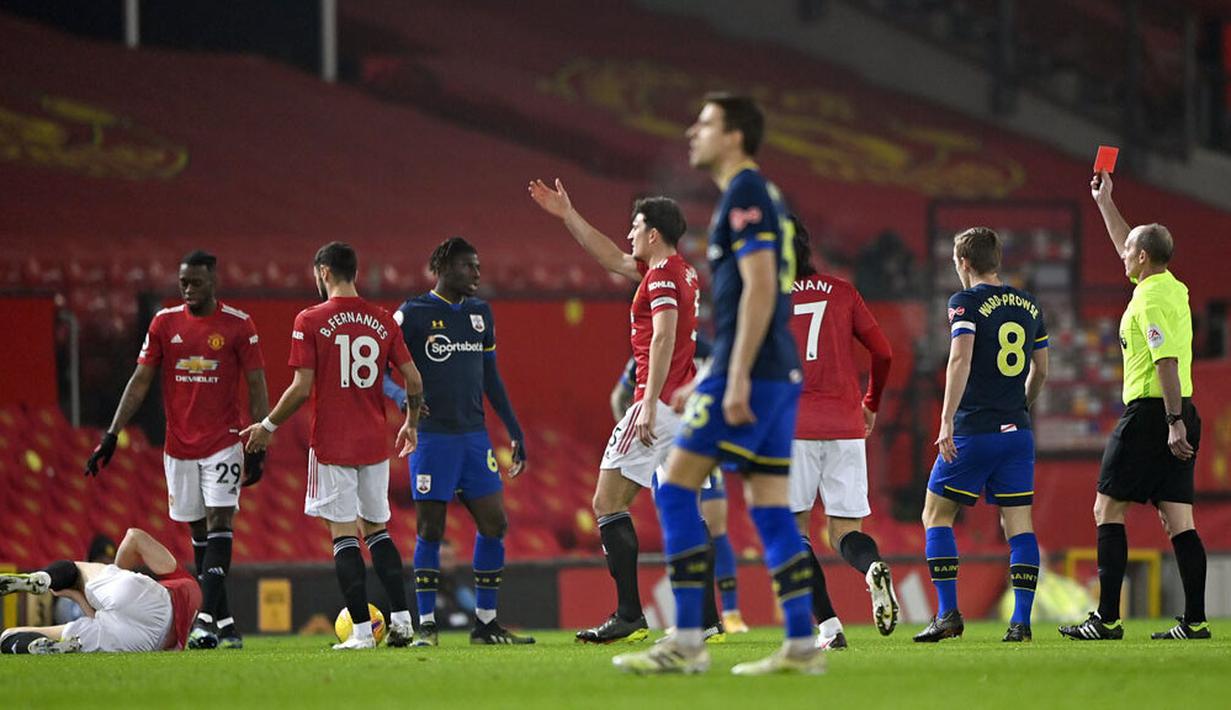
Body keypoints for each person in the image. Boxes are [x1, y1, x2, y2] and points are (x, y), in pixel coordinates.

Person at [613, 93, 824, 676]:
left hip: (752, 375)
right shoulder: (759, 195)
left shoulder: (746, 193)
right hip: (774, 373)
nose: (691, 131)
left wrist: (728, 377)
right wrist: (712, 371)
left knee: (676, 488)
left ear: (734, 136)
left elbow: (759, 288)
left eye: (704, 122)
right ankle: (803, 645)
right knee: (770, 508)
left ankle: (686, 640)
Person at [529, 181, 702, 644]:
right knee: (683, 509)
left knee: (607, 503)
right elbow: (609, 257)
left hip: (658, 404)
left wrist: (645, 402)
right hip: (681, 406)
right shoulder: (679, 271)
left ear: (654, 234)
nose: (628, 233)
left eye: (636, 226)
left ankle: (629, 615)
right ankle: (703, 618)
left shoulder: (662, 279)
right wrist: (568, 214)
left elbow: (664, 335)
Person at [240, 241, 423, 651]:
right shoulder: (382, 320)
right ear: (354, 271)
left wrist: (268, 425)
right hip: (375, 442)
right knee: (378, 531)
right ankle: (403, 624)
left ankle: (360, 632)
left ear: (324, 272)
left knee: (343, 537)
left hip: (332, 442)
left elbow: (301, 388)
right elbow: (413, 379)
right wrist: (410, 423)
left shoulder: (310, 319)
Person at [84, 250, 268, 650]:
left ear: (212, 282)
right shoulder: (165, 323)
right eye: (183, 282)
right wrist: (112, 434)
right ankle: (226, 623)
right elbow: (140, 380)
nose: (187, 289)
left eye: (196, 282)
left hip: (223, 442)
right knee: (199, 534)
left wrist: (258, 439)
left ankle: (203, 620)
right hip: (179, 448)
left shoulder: (238, 325)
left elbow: (256, 383)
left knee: (221, 524)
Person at [1059, 172, 1207, 641]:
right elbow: (1133, 246)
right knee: (1178, 519)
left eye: (1129, 252)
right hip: (1183, 406)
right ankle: (1196, 621)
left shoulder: (1145, 301)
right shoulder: (1171, 287)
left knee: (1107, 509)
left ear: (1142, 259)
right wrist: (1106, 202)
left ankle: (1106, 619)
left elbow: (1163, 359)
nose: (1122, 254)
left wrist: (1171, 422)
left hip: (1152, 414)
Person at [382, 237, 532, 646]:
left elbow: (491, 378)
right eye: (470, 266)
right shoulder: (411, 313)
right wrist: (403, 399)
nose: (477, 274)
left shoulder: (481, 314)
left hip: (474, 437)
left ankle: (485, 624)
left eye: (478, 266)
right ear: (444, 267)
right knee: (431, 529)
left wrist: (514, 429)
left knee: (495, 522)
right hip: (433, 439)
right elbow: (377, 371)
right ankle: (427, 625)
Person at [914, 227, 1048, 644]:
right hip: (1017, 434)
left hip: (974, 429)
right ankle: (1021, 622)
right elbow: (1040, 370)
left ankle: (947, 614)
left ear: (964, 263)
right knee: (1019, 527)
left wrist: (946, 420)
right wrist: (1021, 408)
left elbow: (960, 359)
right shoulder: (1028, 303)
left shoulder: (965, 301)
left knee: (936, 515)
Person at [787, 219, 896, 649]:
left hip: (793, 427)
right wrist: (870, 402)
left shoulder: (767, 298)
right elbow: (883, 352)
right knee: (844, 533)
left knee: (791, 533)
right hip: (847, 427)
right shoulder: (843, 291)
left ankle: (829, 628)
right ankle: (871, 569)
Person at [0, 528, 201, 654]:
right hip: (144, 643)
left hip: (138, 605)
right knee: (8, 637)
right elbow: (103, 620)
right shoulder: (186, 623)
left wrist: (117, 574)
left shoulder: (185, 581)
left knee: (78, 569)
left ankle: (45, 578)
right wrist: (77, 595)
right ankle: (37, 647)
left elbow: (134, 536)